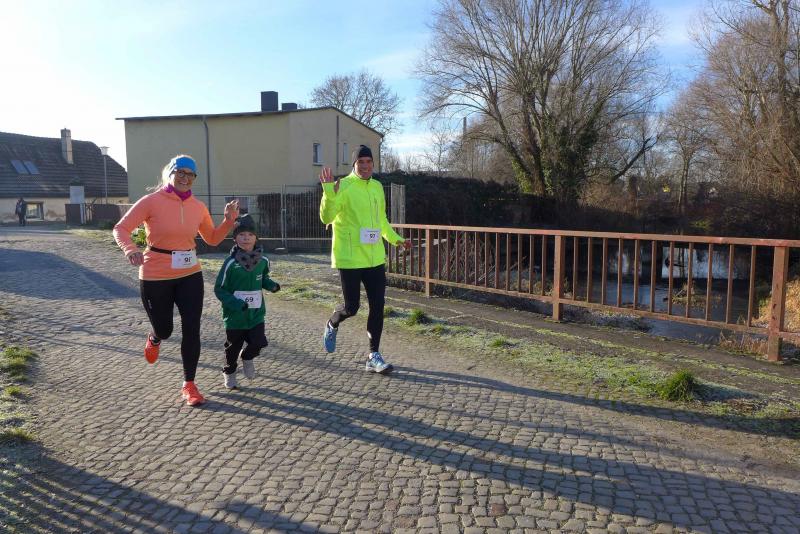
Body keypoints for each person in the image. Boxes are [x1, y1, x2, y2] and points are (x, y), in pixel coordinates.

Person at [113, 155, 239, 406]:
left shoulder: (198, 207)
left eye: (190, 174)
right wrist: (130, 249)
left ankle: (189, 384)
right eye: (180, 172)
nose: (185, 178)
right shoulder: (151, 201)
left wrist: (228, 221)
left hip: (190, 273)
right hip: (155, 274)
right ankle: (155, 337)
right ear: (170, 174)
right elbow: (121, 228)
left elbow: (212, 239)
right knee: (165, 330)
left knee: (192, 328)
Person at [319, 145, 411, 374]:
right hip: (350, 258)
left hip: (374, 258)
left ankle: (373, 355)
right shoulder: (343, 185)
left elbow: (381, 222)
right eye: (361, 162)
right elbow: (326, 217)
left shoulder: (377, 187)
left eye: (369, 161)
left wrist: (397, 239)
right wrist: (328, 192)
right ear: (354, 164)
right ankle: (333, 322)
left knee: (378, 306)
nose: (365, 166)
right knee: (352, 308)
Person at [213, 214, 280, 389]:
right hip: (235, 316)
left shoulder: (263, 261)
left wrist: (271, 285)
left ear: (256, 238)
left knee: (259, 342)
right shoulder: (230, 263)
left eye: (250, 235)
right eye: (241, 235)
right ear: (235, 238)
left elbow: (263, 278)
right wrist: (236, 303)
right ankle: (229, 372)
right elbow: (219, 289)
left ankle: (247, 357)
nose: (246, 238)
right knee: (232, 349)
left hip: (256, 313)